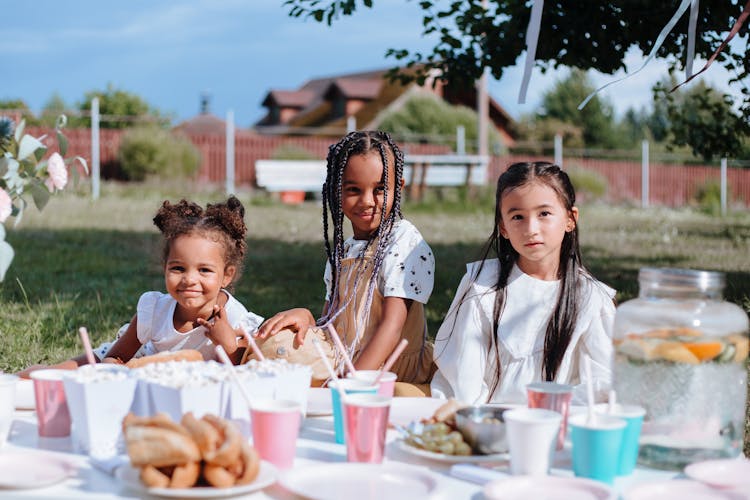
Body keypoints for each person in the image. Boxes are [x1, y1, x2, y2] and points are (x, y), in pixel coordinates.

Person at [255, 131, 436, 392]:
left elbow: (392, 328)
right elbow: (331, 322)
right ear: (336, 191)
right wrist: (306, 318)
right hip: (344, 357)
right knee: (275, 344)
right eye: (353, 190)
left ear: (399, 188)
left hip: (387, 365)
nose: (366, 201)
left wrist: (351, 383)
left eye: (380, 189)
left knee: (282, 365)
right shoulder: (343, 251)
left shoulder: (404, 242)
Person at [430, 161, 615, 405]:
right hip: (487, 423)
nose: (531, 229)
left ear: (570, 219)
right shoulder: (483, 285)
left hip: (556, 424)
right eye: (517, 216)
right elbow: (463, 375)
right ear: (503, 227)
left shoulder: (589, 297)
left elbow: (602, 381)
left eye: (544, 214)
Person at [19, 196, 263, 376]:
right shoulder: (155, 309)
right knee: (51, 376)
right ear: (165, 267)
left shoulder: (236, 318)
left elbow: (248, 372)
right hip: (139, 361)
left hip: (182, 385)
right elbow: (117, 355)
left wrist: (228, 343)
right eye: (178, 268)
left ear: (226, 276)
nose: (189, 279)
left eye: (204, 270)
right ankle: (20, 378)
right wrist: (114, 369)